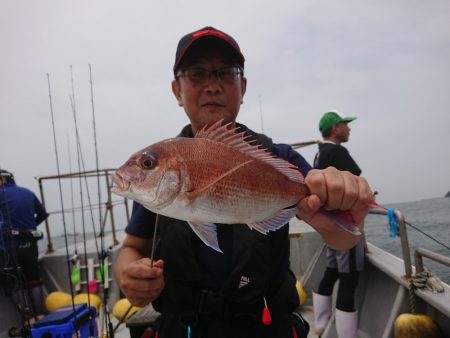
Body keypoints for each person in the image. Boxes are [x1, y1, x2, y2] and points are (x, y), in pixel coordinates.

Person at [114, 27, 373, 338]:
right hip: (183, 327)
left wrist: (350, 212)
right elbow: (131, 247)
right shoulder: (161, 181)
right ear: (176, 90)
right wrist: (126, 276)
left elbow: (340, 238)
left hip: (264, 324)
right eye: (197, 74)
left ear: (243, 86)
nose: (212, 85)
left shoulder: (278, 157)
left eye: (225, 73)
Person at [312, 111, 366, 338]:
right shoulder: (338, 151)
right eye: (346, 125)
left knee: (331, 271)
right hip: (346, 226)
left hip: (329, 225)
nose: (349, 129)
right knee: (349, 278)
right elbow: (356, 183)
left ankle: (321, 326)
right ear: (335, 129)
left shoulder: (320, 154)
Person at [0, 169, 48, 335]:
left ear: (2, 180)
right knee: (34, 280)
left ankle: (29, 320)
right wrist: (30, 227)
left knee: (15, 283)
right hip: (30, 244)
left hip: (8, 247)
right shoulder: (28, 192)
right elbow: (42, 214)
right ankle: (42, 317)